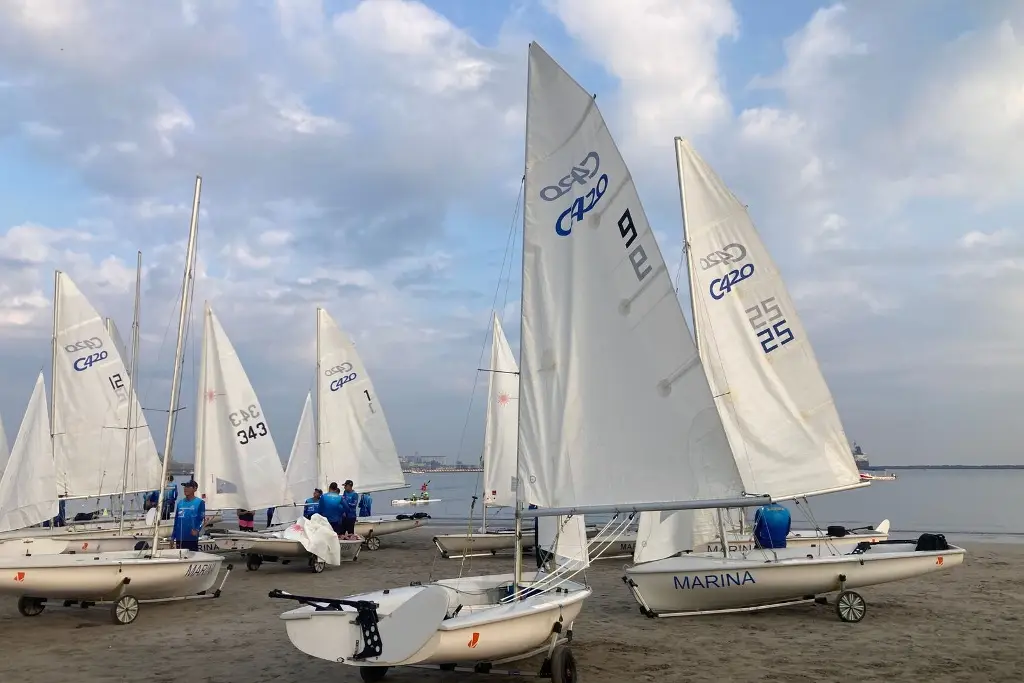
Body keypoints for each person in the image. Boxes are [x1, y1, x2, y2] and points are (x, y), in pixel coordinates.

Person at [171, 480, 205, 551]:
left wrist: (197, 530)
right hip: (179, 538)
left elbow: (202, 519)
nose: (185, 488)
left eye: (188, 487)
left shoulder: (200, 502)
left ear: (195, 489)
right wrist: (172, 537)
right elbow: (176, 521)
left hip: (191, 539)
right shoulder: (180, 503)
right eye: (185, 486)